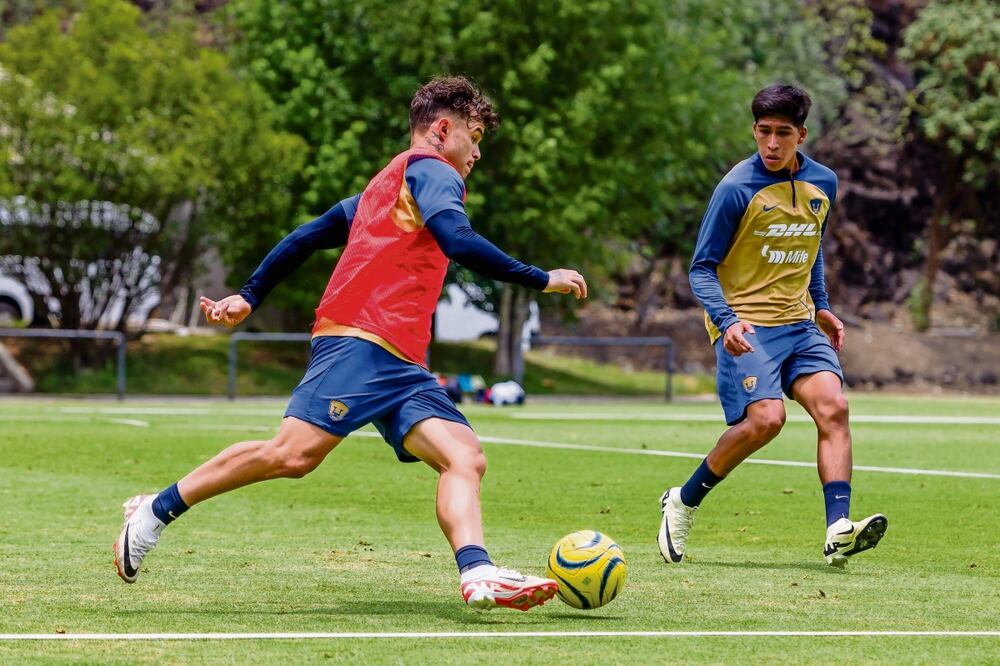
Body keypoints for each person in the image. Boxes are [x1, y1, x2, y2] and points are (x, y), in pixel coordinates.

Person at [114, 76, 588, 611]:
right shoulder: (434, 171)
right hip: (361, 339)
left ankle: (477, 573)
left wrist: (250, 295)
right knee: (292, 456)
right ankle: (155, 510)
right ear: (441, 129)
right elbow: (459, 241)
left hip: (402, 360)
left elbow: (306, 235)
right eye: (474, 137)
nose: (477, 153)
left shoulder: (386, 186)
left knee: (465, 457)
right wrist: (540, 278)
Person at [657, 84, 887, 568]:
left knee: (835, 408)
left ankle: (837, 530)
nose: (773, 143)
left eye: (784, 133)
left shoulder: (824, 181)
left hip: (799, 323)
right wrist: (727, 320)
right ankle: (683, 500)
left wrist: (821, 305)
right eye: (765, 132)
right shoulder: (736, 188)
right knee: (766, 421)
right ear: (755, 131)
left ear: (802, 134)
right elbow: (701, 267)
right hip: (747, 326)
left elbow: (812, 243)